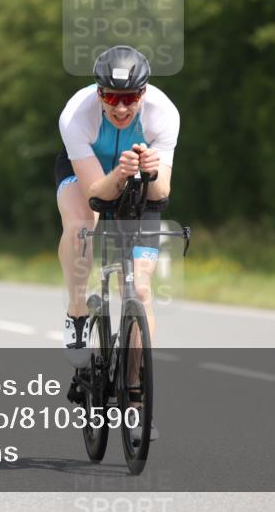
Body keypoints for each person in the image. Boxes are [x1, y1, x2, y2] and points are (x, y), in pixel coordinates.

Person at [55, 45, 180, 369]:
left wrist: (150, 172)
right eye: (111, 98)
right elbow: (97, 195)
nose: (121, 108)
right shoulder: (76, 115)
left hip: (141, 175)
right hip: (88, 170)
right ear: (99, 94)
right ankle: (78, 312)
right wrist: (120, 173)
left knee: (140, 289)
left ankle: (136, 397)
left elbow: (161, 194)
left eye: (130, 98)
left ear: (144, 92)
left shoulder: (163, 113)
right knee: (81, 226)